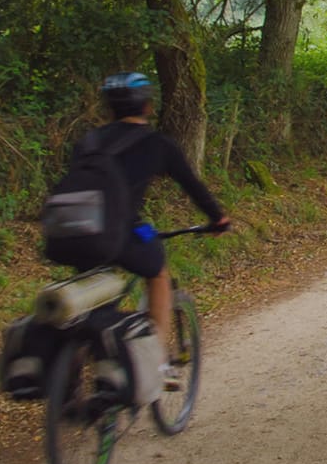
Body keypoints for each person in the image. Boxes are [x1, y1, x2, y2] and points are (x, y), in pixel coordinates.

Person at [89, 71, 230, 368]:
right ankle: (155, 363)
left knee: (90, 302)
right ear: (148, 106)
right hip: (123, 231)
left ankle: (73, 380)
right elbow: (192, 185)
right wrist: (217, 217)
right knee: (158, 273)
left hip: (73, 233)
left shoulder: (89, 141)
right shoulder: (157, 144)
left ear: (110, 107)